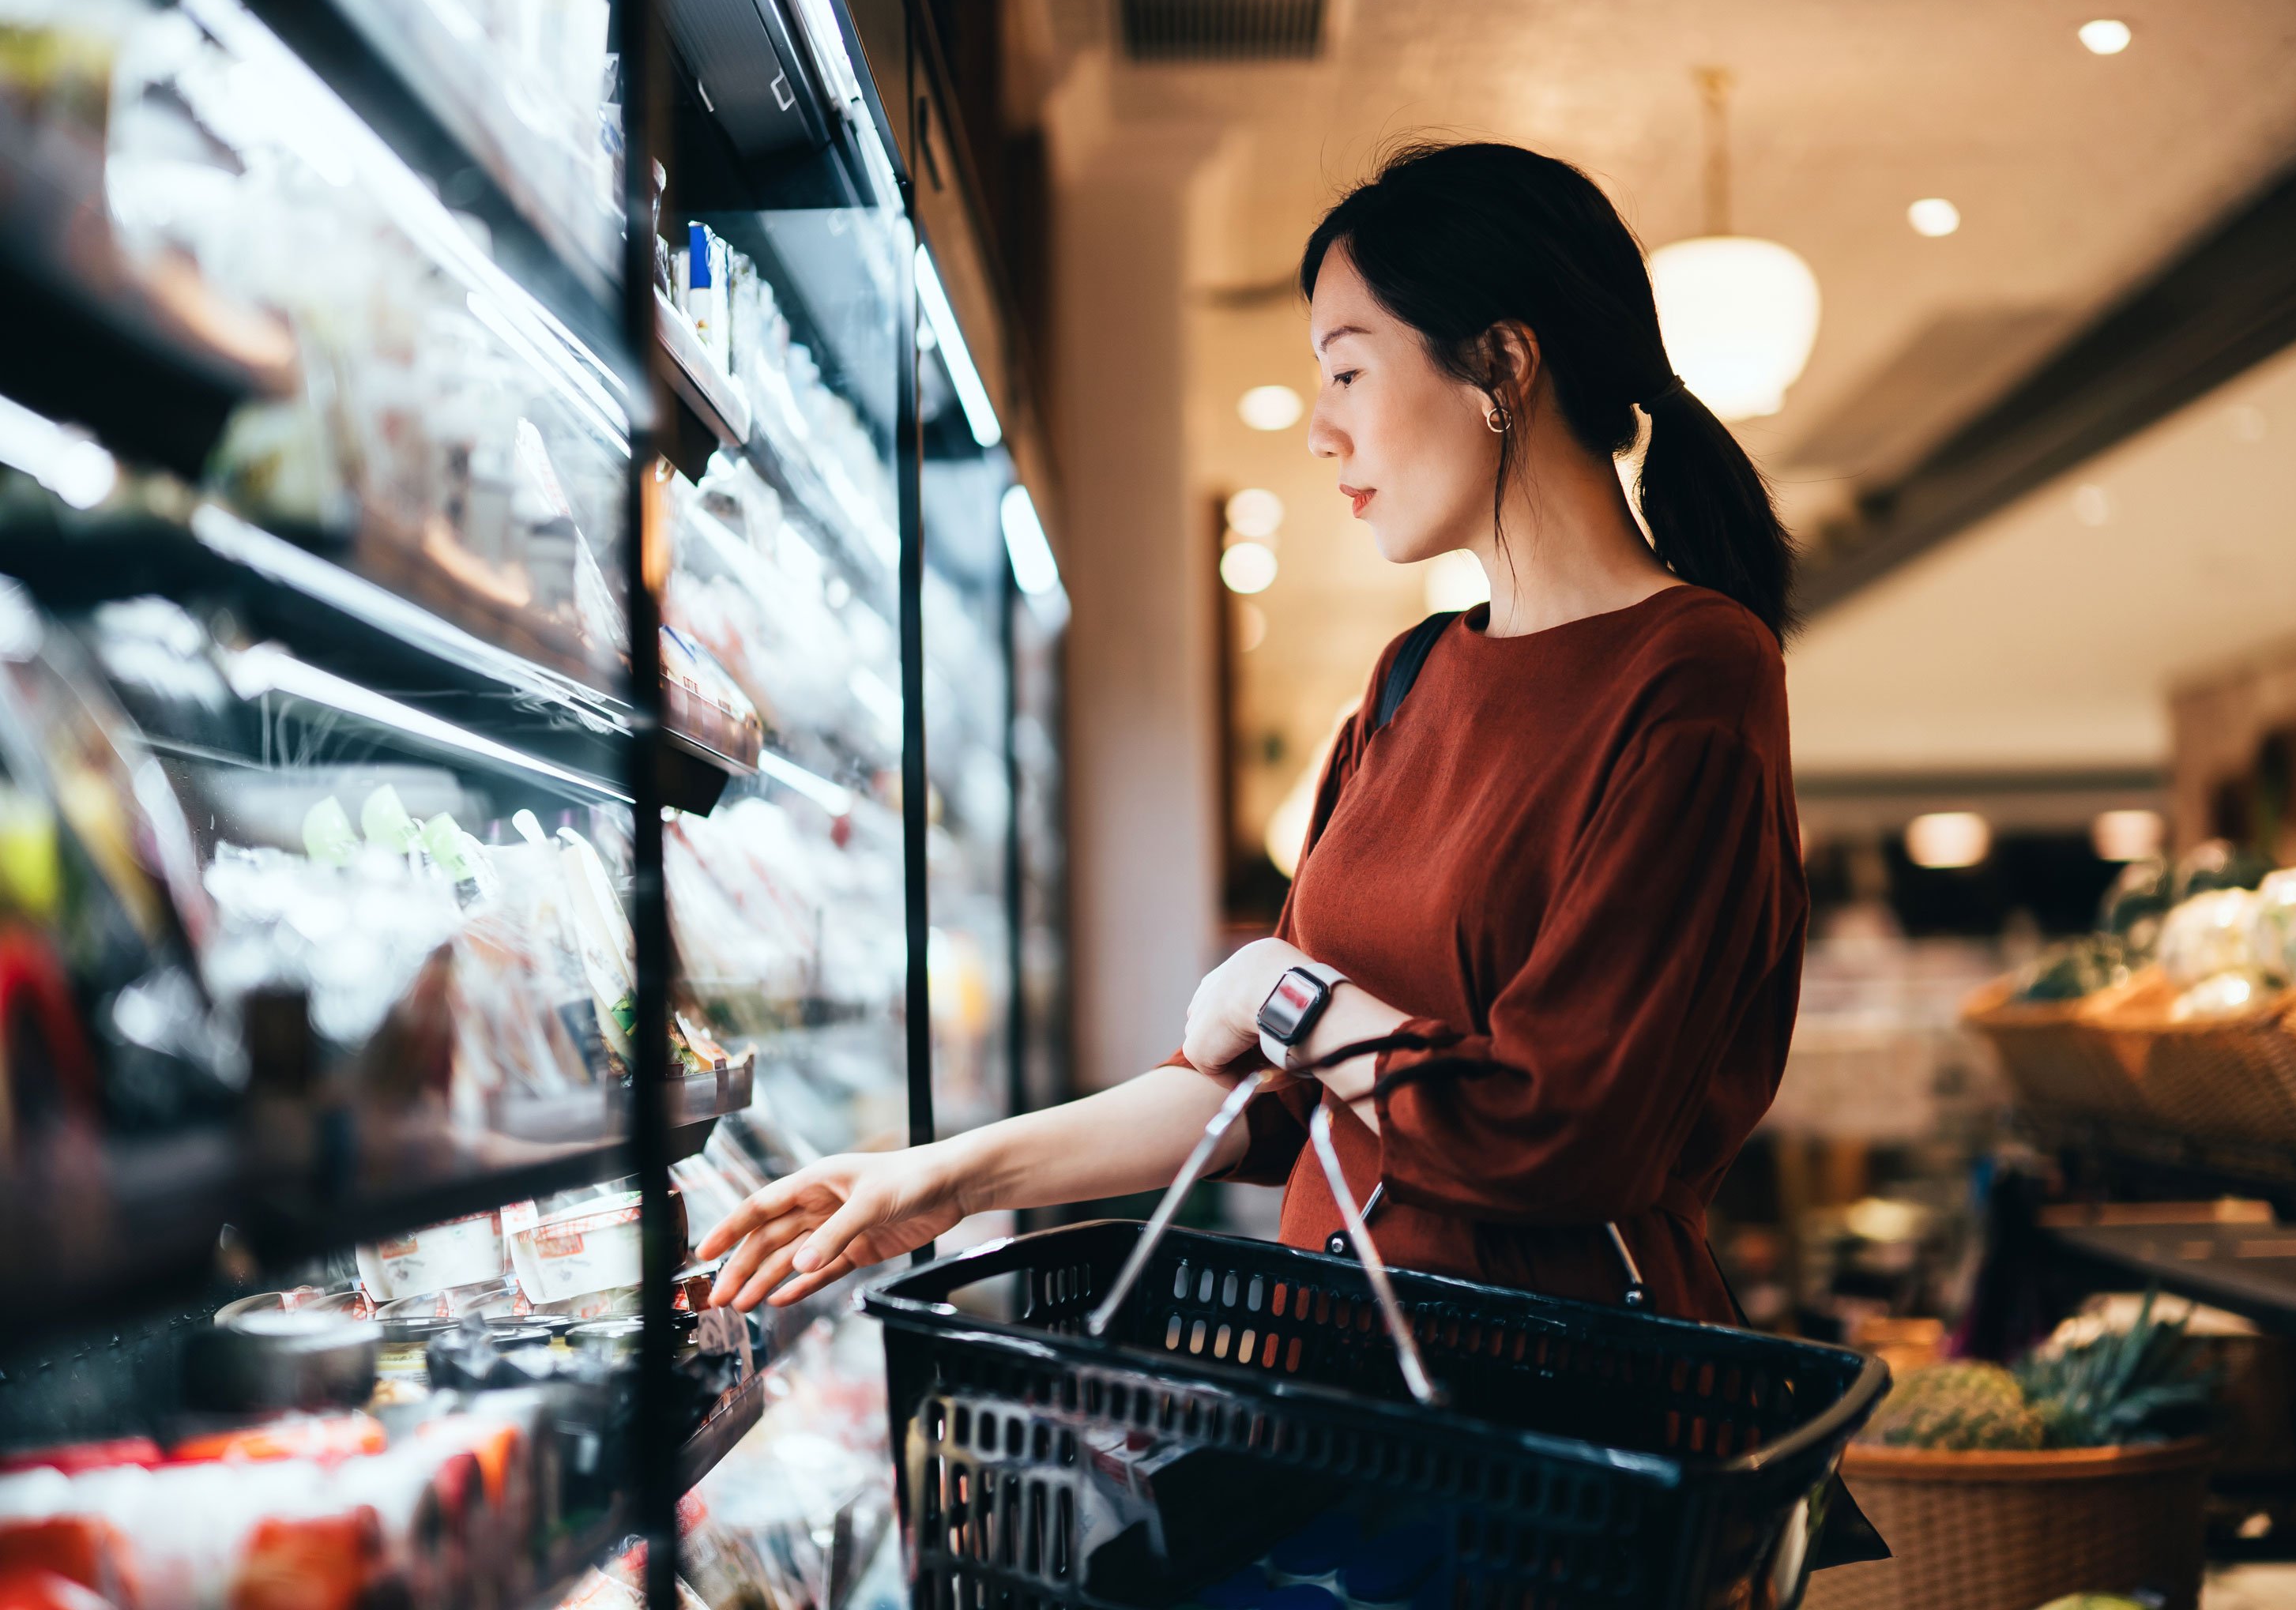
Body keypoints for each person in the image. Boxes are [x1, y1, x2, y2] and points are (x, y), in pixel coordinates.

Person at [700, 141, 1805, 1322]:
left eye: (1348, 372)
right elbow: (1259, 1091)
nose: (1322, 432)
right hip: (1341, 1410)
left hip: (1544, 1443)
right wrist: (947, 1176)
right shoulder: (1413, 677)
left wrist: (1289, 990)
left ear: (1502, 363)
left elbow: (1561, 1133)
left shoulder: (1690, 671)